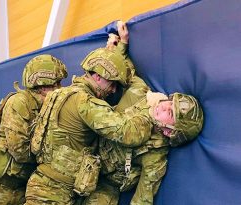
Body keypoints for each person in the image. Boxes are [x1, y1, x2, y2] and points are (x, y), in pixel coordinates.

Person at [25, 24, 154, 204]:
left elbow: (105, 63)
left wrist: (120, 50)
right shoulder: (85, 103)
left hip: (48, 187)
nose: (114, 89)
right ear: (98, 77)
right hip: (54, 193)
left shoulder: (62, 93)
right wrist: (153, 109)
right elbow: (128, 133)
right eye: (113, 83)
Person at [81, 25, 204, 205]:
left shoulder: (156, 156)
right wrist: (121, 44)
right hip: (87, 144)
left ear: (170, 132)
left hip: (106, 183)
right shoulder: (140, 93)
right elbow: (122, 70)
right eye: (169, 102)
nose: (164, 106)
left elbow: (143, 197)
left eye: (170, 112)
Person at [0, 54, 68, 205]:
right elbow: (19, 151)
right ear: (43, 85)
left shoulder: (45, 108)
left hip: (20, 188)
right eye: (56, 84)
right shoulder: (19, 102)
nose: (59, 89)